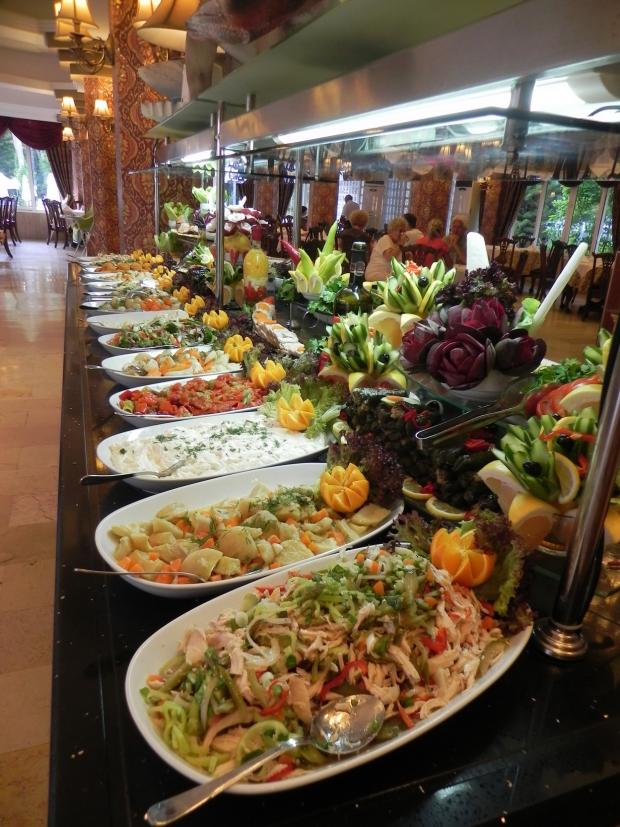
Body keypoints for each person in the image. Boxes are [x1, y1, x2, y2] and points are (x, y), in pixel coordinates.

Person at [365, 216, 408, 281]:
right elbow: (389, 257)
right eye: (400, 231)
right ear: (392, 230)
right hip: (376, 273)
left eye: (404, 231)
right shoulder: (385, 239)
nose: (402, 234)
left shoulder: (397, 244)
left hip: (387, 275)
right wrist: (401, 244)